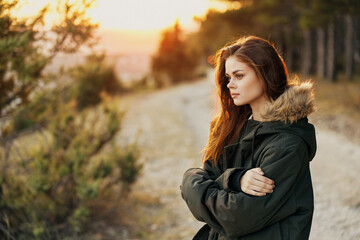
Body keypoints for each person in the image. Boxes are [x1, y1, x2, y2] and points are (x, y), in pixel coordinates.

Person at [181, 36, 317, 240]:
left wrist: (197, 184)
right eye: (228, 77)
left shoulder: (288, 145)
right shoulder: (229, 129)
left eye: (239, 76)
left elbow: (233, 217)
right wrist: (235, 179)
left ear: (265, 74)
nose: (230, 85)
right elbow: (197, 180)